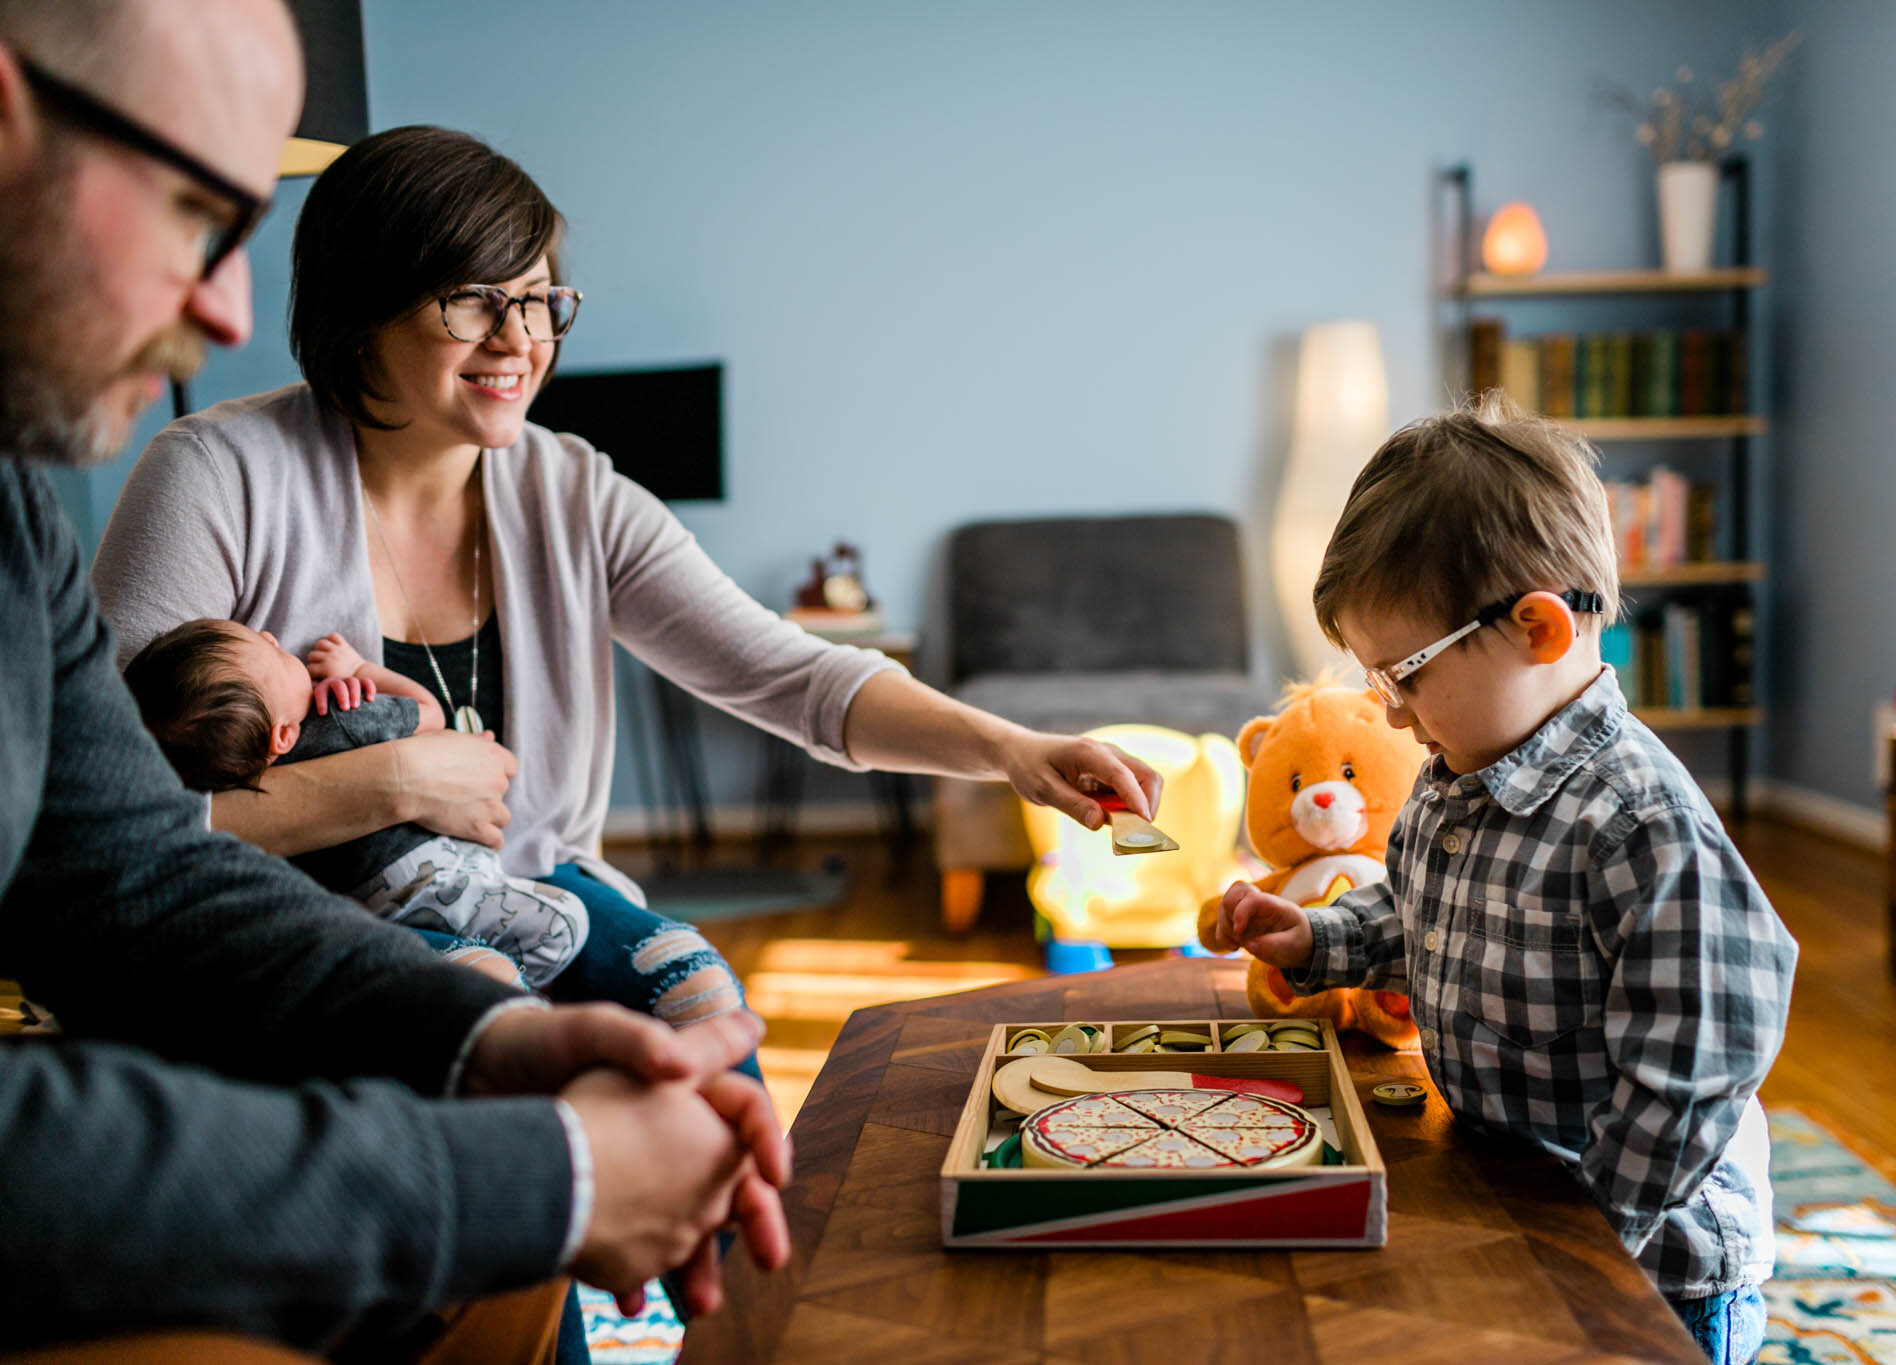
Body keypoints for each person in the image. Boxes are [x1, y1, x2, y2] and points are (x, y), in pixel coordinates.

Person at [0, 0, 790, 1358]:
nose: (228, 307)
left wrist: (477, 1039)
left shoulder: (12, 507)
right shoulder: (212, 474)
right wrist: (551, 1179)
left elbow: (132, 874)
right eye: (196, 211)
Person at [90, 123, 1164, 1038]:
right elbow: (95, 821)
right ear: (362, 312)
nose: (520, 341)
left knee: (708, 1025)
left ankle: (689, 1287)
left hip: (551, 929)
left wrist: (1013, 752)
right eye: (472, 303)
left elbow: (789, 677)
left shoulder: (576, 494)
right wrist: (394, 786)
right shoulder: (211, 479)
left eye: (540, 301)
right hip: (305, 954)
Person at [1211, 394, 1798, 1365]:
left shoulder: (1640, 822)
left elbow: (1697, 1062)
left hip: (1649, 1263)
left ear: (1536, 628)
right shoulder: (1455, 772)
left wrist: (1584, 1229)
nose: (1391, 714)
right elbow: (1417, 910)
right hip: (1514, 1192)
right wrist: (1317, 940)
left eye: (1404, 675)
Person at [124, 620, 589, 987]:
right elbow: (429, 711)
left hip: (359, 907)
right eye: (278, 655)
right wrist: (359, 670)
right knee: (568, 922)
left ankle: (467, 965)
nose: (271, 635)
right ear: (284, 734)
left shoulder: (241, 790)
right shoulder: (343, 719)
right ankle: (520, 988)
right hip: (435, 880)